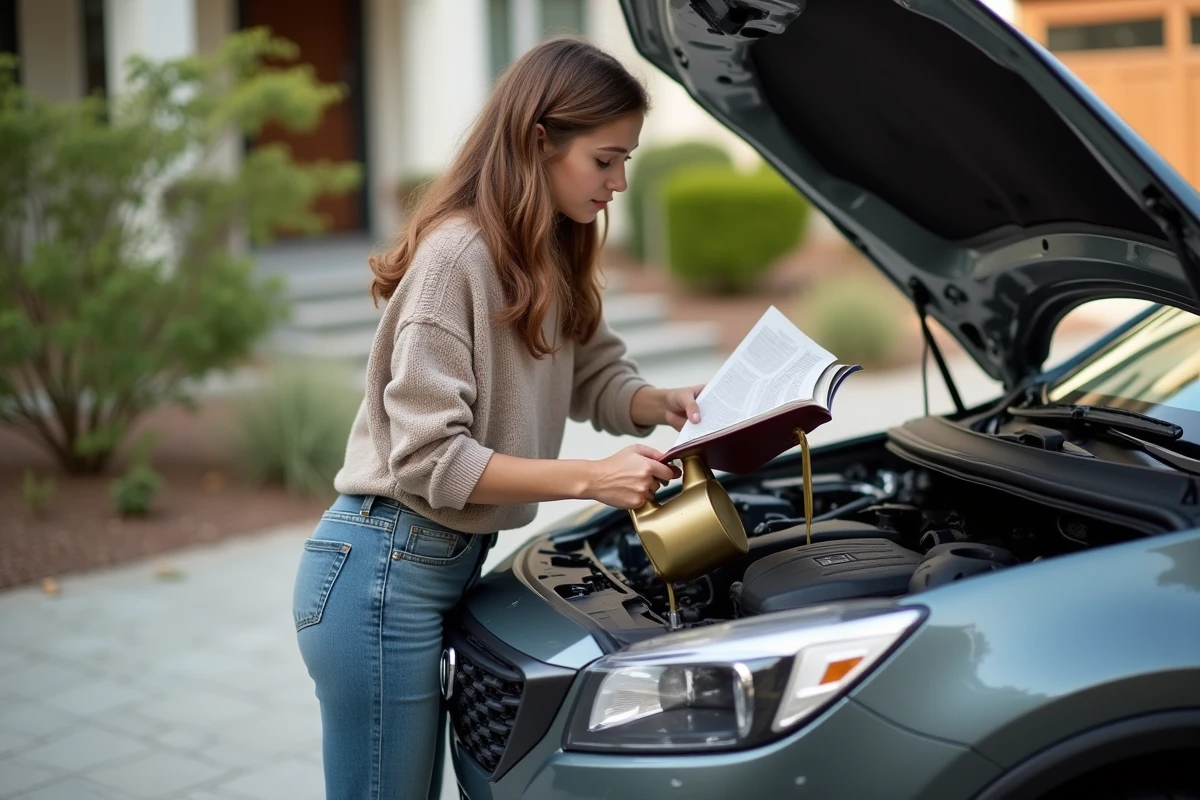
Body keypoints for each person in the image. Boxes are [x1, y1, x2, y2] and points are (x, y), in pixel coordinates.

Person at [291, 36, 705, 800]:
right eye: (604, 159)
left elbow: (591, 373)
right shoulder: (457, 260)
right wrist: (589, 478)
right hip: (382, 571)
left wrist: (659, 402)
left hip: (438, 567)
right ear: (539, 140)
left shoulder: (551, 246)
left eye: (627, 162)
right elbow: (426, 458)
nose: (618, 182)